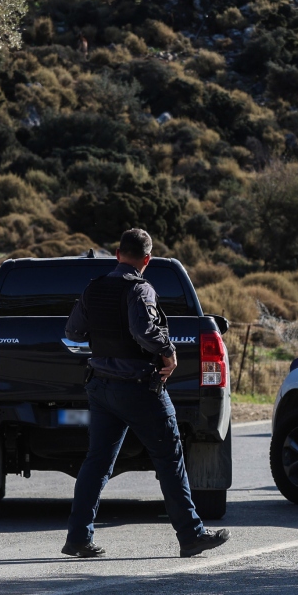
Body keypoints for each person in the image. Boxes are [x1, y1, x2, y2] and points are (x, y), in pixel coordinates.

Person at [62, 229, 229, 558]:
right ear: (147, 259)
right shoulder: (140, 289)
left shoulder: (94, 288)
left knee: (96, 463)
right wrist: (169, 351)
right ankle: (192, 535)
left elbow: (73, 331)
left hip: (101, 387)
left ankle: (78, 538)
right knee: (170, 460)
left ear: (117, 253)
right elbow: (143, 331)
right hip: (138, 386)